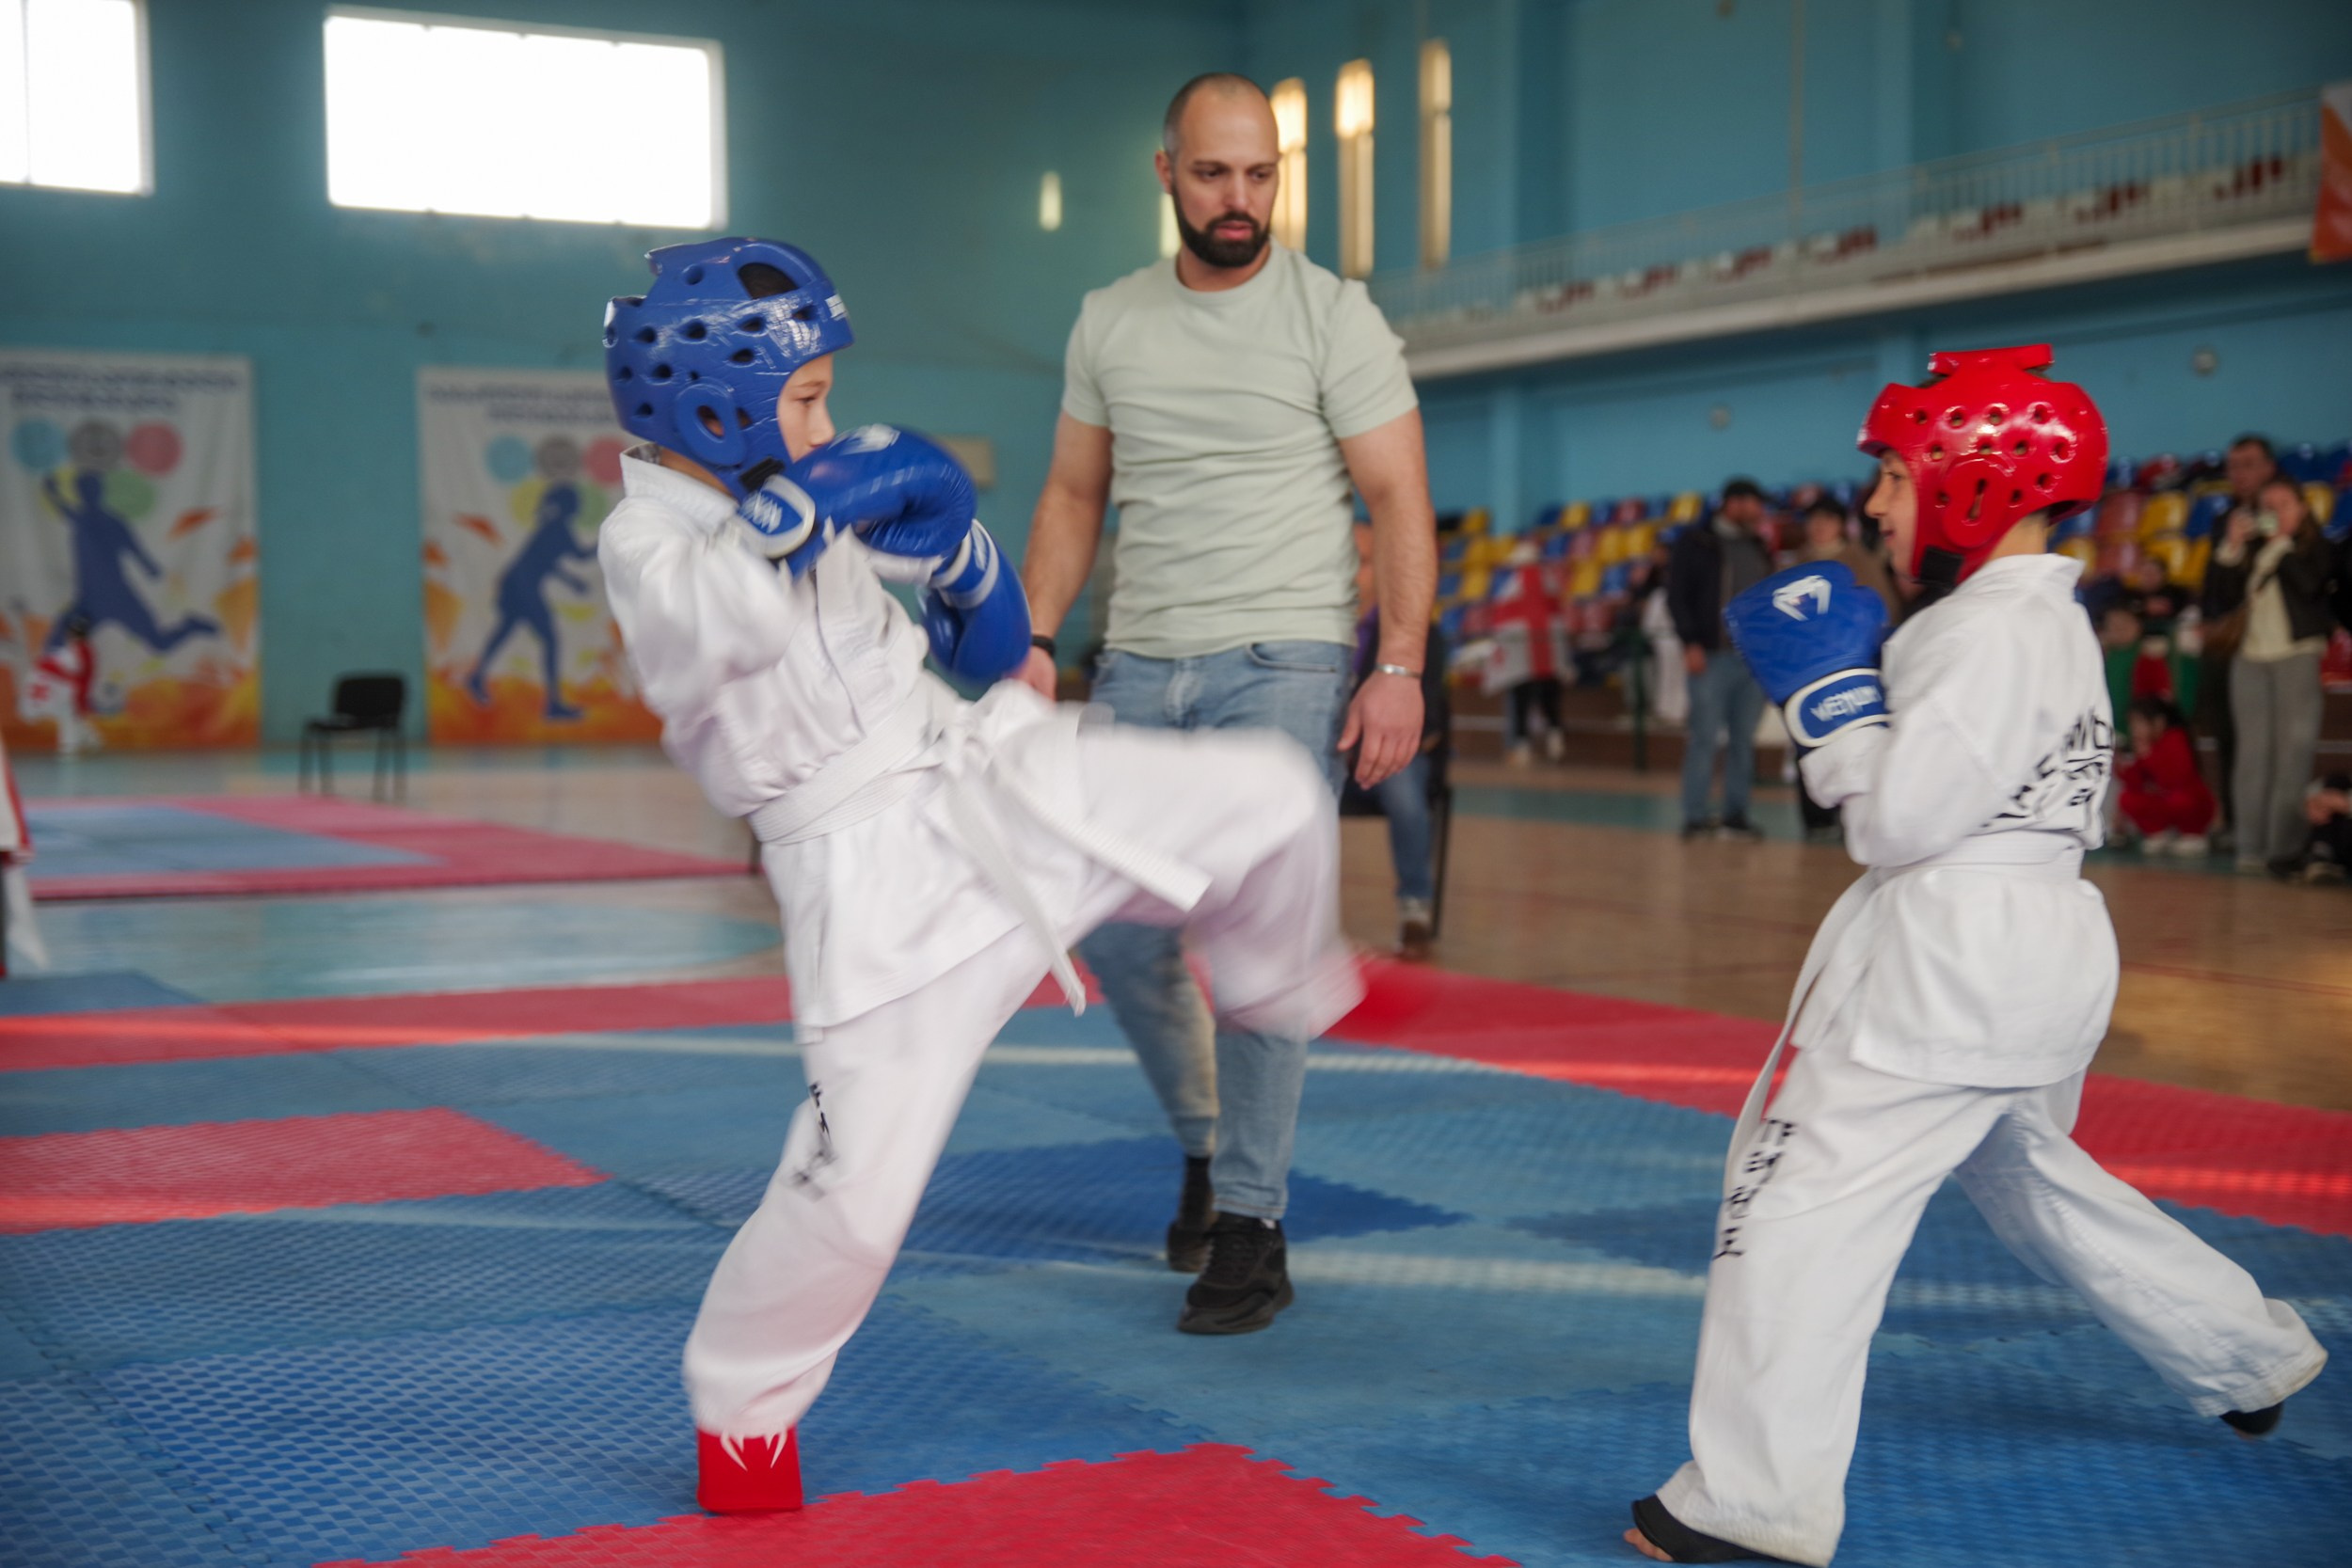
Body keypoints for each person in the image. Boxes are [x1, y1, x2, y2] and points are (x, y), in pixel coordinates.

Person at [596, 237, 1360, 1513]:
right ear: (708, 399)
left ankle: (1281, 982)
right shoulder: (648, 540)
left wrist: (960, 560)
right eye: (804, 398)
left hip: (982, 779)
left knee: (1276, 792)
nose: (825, 421)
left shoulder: (793, 485)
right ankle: (742, 1411)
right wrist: (820, 500)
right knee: (850, 1197)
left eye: (827, 396)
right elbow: (712, 630)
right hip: (865, 881)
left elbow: (993, 651)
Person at [1625, 345, 2325, 1566]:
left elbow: (1896, 819)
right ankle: (2247, 1352)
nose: (1878, 504)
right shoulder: (2047, 619)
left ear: (1973, 477)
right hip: (2043, 944)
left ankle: (1753, 1501)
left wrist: (1833, 710)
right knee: (2035, 1176)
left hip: (1946, 957)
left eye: (1895, 473)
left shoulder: (1977, 631)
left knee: (1796, 1206)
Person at [1014, 71, 1437, 1325]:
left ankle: (1252, 1221)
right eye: (1213, 174)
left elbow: (1400, 497)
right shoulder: (1109, 321)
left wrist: (1398, 661)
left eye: (1261, 175)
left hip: (1287, 661)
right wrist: (1035, 634)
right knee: (1124, 934)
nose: (1239, 199)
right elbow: (1074, 495)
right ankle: (1206, 1142)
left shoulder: (1333, 316)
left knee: (1256, 943)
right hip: (1139, 661)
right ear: (1166, 174)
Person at [2205, 476, 2332, 874]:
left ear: (2303, 508)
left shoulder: (2319, 549)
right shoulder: (2250, 551)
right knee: (2252, 755)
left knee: (2292, 754)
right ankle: (2249, 846)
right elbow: (2217, 599)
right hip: (2250, 658)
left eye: (2284, 503)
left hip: (2297, 654)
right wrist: (2232, 546)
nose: (2274, 512)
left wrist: (2282, 543)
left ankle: (2283, 849)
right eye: (2267, 505)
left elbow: (2310, 588)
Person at [1347, 522, 1449, 958]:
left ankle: (1414, 905)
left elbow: (1428, 716)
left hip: (1393, 754)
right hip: (1331, 755)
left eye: (1363, 563)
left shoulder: (1416, 633)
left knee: (1404, 791)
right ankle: (1286, 914)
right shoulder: (1309, 633)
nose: (1351, 574)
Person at [1668, 479, 1773, 840]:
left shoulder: (1758, 546)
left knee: (1743, 740)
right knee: (1703, 738)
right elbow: (1677, 596)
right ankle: (1695, 815)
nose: (1759, 512)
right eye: (1754, 504)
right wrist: (1690, 642)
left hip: (1750, 660)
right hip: (1710, 656)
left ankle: (1736, 814)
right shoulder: (1696, 543)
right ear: (1734, 503)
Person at [2195, 435, 2281, 843]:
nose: (2240, 474)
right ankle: (2233, 821)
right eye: (2234, 466)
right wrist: (2230, 545)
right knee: (2228, 733)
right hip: (2231, 642)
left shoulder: (2284, 512)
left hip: (2275, 642)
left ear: (2268, 467)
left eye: (2248, 464)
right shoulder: (2222, 520)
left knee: (2272, 739)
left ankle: (2273, 826)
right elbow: (2215, 589)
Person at [467, 481, 597, 720]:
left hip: (516, 584)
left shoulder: (553, 527)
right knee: (549, 639)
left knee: (506, 631)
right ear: (568, 505)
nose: (578, 505)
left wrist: (572, 583)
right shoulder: (558, 529)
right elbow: (579, 555)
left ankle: (476, 677)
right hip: (521, 586)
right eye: (575, 502)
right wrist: (606, 542)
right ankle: (553, 703)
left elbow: (547, 564)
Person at [2114, 694, 2215, 855]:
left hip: (2192, 804)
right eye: (2132, 723)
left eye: (2139, 722)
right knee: (2128, 797)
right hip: (2166, 802)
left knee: (2181, 798)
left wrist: (2148, 756)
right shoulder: (2144, 745)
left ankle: (2194, 834)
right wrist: (2120, 765)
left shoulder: (2175, 739)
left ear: (2159, 722)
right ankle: (2158, 833)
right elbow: (2135, 784)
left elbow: (2176, 780)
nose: (2134, 729)